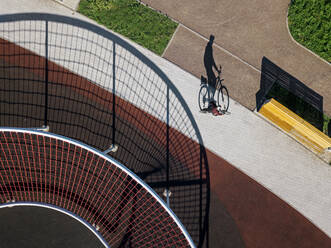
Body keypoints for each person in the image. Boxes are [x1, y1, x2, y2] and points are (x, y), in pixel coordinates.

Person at [203, 35, 222, 115]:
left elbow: (211, 59)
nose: (212, 41)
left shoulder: (209, 47)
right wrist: (217, 69)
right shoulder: (209, 48)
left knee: (212, 80)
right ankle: (210, 102)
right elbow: (212, 59)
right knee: (213, 80)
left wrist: (216, 68)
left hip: (208, 64)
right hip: (208, 64)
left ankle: (210, 100)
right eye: (212, 40)